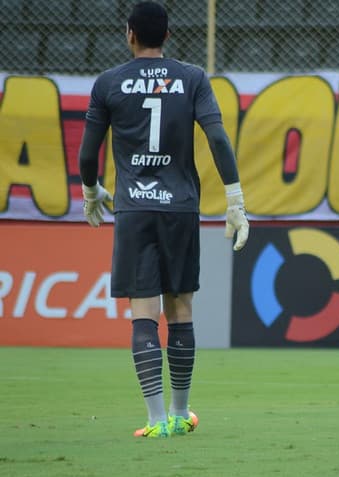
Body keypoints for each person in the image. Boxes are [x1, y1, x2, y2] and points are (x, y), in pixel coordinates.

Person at [78, 1, 249, 439]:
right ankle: (180, 412)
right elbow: (217, 138)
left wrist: (92, 190)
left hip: (134, 208)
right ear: (168, 36)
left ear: (129, 34)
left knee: (143, 313)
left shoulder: (108, 83)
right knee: (181, 309)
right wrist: (235, 200)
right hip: (180, 207)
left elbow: (87, 154)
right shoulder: (191, 78)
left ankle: (154, 421)